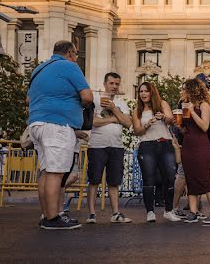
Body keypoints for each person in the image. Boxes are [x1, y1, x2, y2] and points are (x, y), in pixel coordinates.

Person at [26, 41, 92, 230]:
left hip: (37, 123)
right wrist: (76, 106)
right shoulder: (69, 66)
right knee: (56, 173)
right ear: (70, 53)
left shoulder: (39, 69)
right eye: (76, 54)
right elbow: (87, 96)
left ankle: (47, 215)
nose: (76, 58)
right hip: (57, 125)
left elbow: (28, 99)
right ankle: (53, 218)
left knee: (46, 171)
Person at [85, 72, 132, 224]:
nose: (114, 86)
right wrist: (114, 118)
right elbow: (93, 122)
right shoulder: (96, 101)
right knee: (94, 180)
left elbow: (128, 123)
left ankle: (116, 213)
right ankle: (92, 214)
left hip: (116, 146)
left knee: (114, 181)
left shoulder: (121, 103)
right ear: (105, 84)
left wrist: (114, 109)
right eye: (111, 83)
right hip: (97, 145)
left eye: (117, 84)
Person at [132, 81, 179, 222]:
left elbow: (172, 120)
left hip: (165, 143)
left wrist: (163, 117)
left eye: (146, 91)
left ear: (152, 92)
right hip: (147, 145)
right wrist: (146, 125)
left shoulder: (162, 104)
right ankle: (150, 212)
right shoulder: (137, 110)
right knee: (148, 179)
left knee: (170, 177)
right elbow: (137, 131)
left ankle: (168, 210)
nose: (143, 94)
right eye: (141, 91)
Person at [178, 77, 210, 224]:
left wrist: (192, 112)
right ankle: (193, 212)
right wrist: (179, 127)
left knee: (203, 177)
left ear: (193, 90)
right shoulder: (185, 105)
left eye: (185, 89)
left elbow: (204, 126)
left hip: (201, 145)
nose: (183, 92)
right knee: (191, 178)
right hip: (188, 144)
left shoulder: (204, 105)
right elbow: (187, 129)